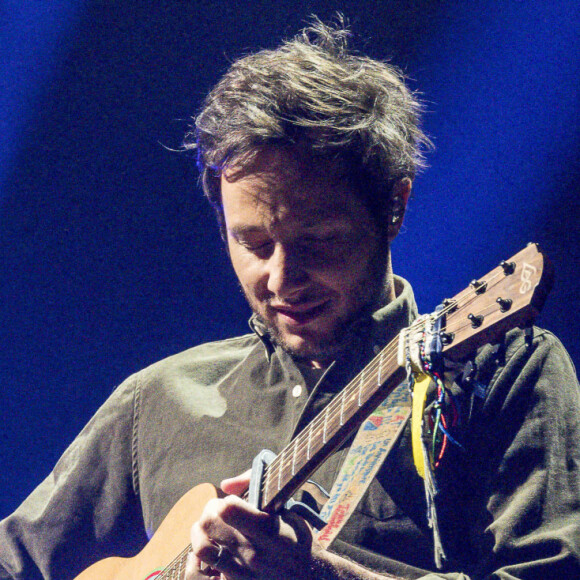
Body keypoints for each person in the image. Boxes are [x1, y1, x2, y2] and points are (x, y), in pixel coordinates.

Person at [1, 18, 579, 580]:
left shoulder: (506, 374)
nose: (281, 278)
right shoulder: (157, 401)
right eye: (253, 243)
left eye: (318, 241)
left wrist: (317, 574)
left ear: (394, 207)